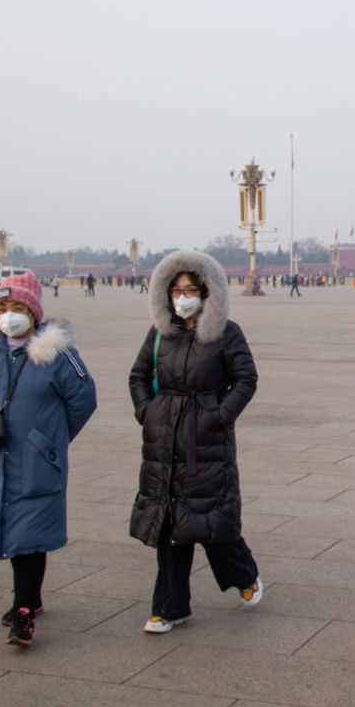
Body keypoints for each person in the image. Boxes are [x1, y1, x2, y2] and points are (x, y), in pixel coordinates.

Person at [129, 250, 264, 633]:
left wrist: (217, 416)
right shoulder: (159, 333)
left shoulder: (226, 332)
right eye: (176, 290)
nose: (183, 296)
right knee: (170, 522)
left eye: (190, 289)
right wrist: (147, 412)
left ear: (207, 293)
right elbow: (138, 375)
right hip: (164, 437)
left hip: (205, 440)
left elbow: (246, 380)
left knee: (208, 519)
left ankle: (245, 574)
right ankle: (169, 607)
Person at [0, 271, 97, 646]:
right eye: (3, 307)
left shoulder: (58, 354)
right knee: (10, 526)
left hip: (37, 459)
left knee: (29, 534)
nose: (10, 315)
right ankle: (31, 598)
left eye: (19, 307)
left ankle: (23, 611)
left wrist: (50, 438)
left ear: (35, 313)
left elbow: (83, 399)